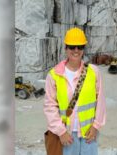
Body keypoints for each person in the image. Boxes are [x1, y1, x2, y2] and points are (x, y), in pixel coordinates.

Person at [44, 27, 106, 155]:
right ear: (66, 48)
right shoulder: (54, 75)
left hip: (88, 133)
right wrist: (61, 132)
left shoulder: (93, 72)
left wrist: (96, 126)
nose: (76, 50)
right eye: (72, 47)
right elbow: (50, 106)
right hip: (66, 134)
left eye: (80, 47)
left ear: (83, 48)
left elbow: (101, 101)